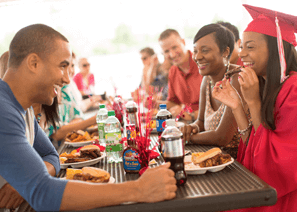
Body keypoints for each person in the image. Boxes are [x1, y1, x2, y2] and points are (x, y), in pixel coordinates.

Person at [0, 24, 177, 211]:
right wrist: (139, 189)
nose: (67, 80)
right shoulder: (3, 111)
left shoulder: (22, 108)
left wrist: (27, 179)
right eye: (62, 66)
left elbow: (52, 155)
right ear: (34, 63)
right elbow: (44, 194)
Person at [212, 5, 297, 211]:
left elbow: (280, 166)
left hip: (289, 195)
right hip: (264, 184)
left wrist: (253, 103)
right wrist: (237, 106)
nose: (242, 55)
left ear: (277, 49)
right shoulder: (267, 84)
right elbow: (256, 149)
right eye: (242, 47)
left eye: (250, 47)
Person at [180, 24, 247, 159]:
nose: (197, 57)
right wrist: (190, 128)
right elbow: (200, 122)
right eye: (195, 51)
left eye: (204, 50)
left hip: (239, 165)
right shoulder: (207, 80)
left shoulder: (237, 79)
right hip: (212, 157)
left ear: (225, 52)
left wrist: (188, 138)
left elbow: (222, 137)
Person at [158, 29, 203, 121]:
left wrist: (190, 115)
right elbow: (174, 102)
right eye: (166, 51)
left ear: (183, 42)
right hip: (187, 125)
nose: (172, 54)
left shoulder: (203, 64)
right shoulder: (173, 71)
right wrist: (156, 103)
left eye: (174, 47)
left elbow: (217, 108)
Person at [60, 52, 102, 124]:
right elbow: (79, 108)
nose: (70, 70)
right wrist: (92, 100)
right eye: (64, 66)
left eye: (72, 66)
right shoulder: (71, 82)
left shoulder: (71, 83)